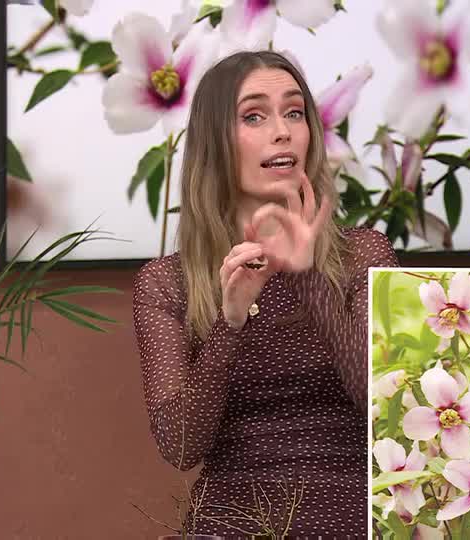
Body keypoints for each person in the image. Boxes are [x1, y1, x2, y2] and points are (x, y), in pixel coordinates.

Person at [132, 50, 398, 537]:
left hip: (358, 515)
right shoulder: (168, 283)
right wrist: (228, 326)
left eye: (294, 112)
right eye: (254, 115)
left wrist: (307, 277)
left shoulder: (363, 254)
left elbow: (387, 408)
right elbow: (180, 446)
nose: (283, 131)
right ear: (215, 143)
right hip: (234, 521)